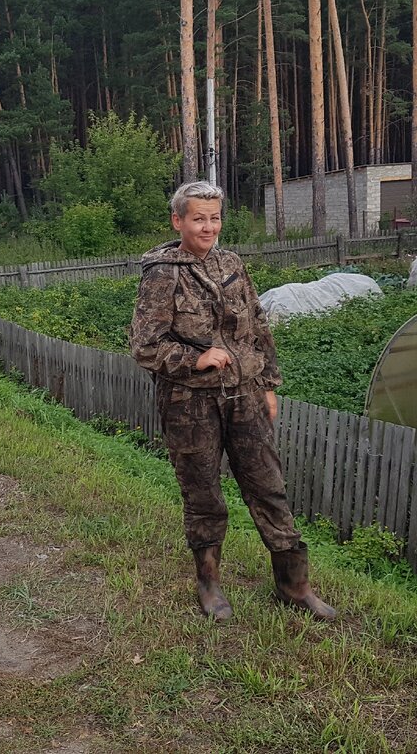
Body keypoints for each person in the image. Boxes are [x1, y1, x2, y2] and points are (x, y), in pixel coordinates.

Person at [129, 180, 336, 622]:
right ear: (178, 221)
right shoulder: (162, 272)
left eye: (215, 217)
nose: (208, 227)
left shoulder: (231, 263)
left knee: (268, 487)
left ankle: (294, 585)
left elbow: (258, 326)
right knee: (204, 494)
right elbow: (144, 345)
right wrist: (195, 357)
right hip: (189, 404)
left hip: (245, 396)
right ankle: (209, 584)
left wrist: (268, 384)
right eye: (198, 218)